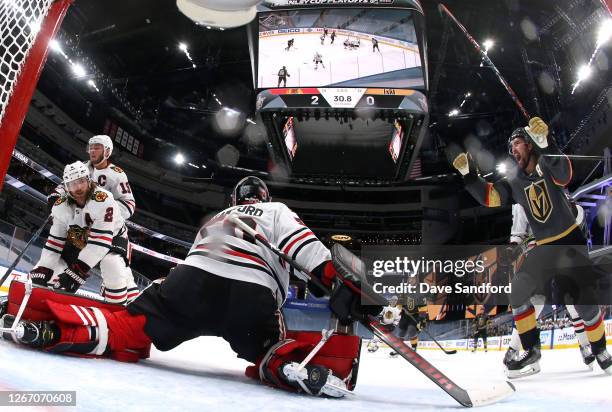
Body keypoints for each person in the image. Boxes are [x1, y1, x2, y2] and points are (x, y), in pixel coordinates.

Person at [2, 176, 381, 397]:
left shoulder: (217, 217)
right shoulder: (275, 210)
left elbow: (202, 259)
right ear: (263, 198)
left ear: (235, 201)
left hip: (190, 284)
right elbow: (305, 250)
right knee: (269, 346)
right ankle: (288, 367)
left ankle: (49, 328)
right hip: (250, 297)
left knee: (128, 328)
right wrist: (340, 282)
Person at [452, 117, 611, 377]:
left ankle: (599, 349)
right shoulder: (515, 180)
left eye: (517, 143)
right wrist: (470, 177)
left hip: (570, 242)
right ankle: (531, 350)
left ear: (529, 144)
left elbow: (565, 175)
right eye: (511, 146)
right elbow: (492, 197)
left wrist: (546, 144)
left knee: (585, 305)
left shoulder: (548, 164)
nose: (513, 150)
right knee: (517, 291)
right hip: (543, 247)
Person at [503, 204, 595, 370]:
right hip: (538, 257)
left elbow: (578, 217)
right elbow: (517, 233)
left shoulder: (556, 193)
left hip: (561, 254)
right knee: (534, 302)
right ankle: (515, 349)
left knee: (572, 298)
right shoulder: (521, 202)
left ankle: (585, 345)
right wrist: (514, 246)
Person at [47, 135, 139, 302]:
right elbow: (64, 186)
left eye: (97, 147)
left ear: (107, 151)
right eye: (91, 147)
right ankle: (54, 295)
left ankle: (122, 296)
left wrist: (99, 214)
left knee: (115, 269)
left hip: (107, 232)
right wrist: (55, 197)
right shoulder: (80, 167)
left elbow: (129, 205)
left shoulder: (117, 174)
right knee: (58, 263)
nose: (92, 150)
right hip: (80, 230)